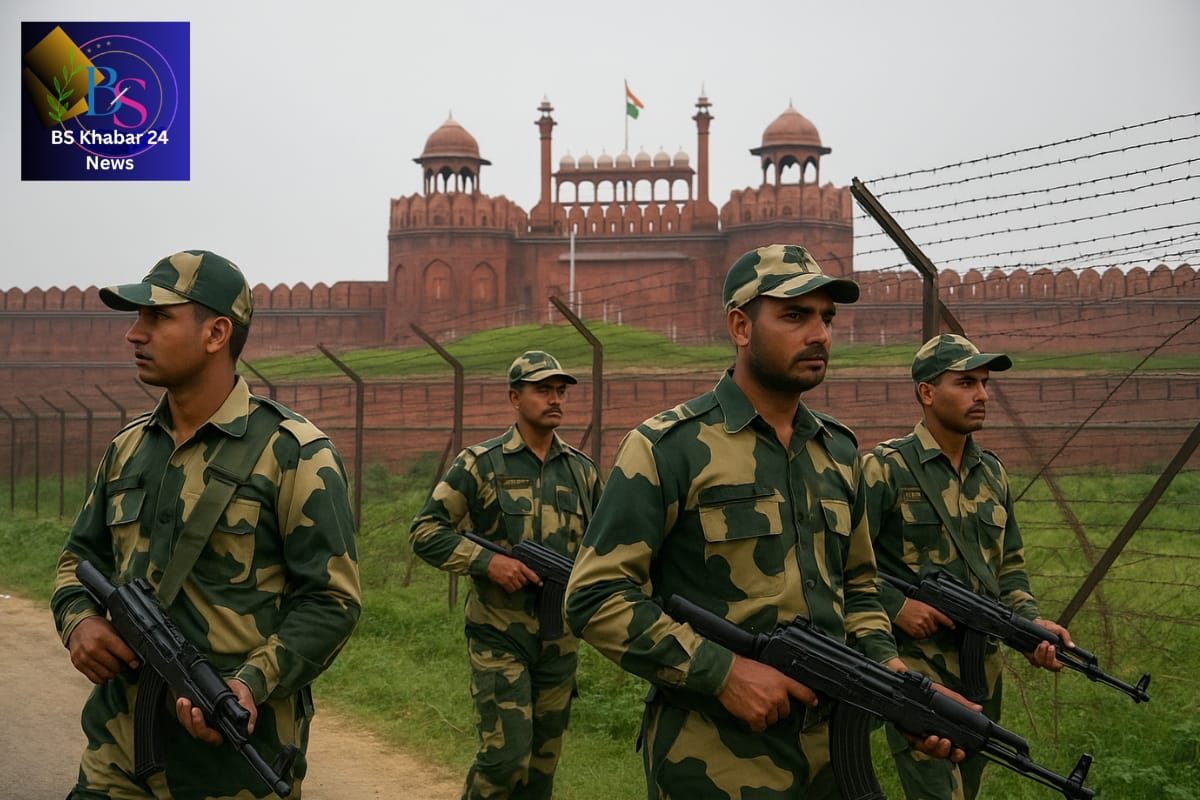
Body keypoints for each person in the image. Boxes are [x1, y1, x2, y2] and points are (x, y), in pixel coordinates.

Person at [565, 244, 965, 799]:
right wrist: (722, 673)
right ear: (741, 325)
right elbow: (595, 596)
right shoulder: (668, 448)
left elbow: (859, 588)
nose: (820, 334)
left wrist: (892, 679)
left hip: (830, 764)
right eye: (795, 315)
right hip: (712, 764)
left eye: (827, 318)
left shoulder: (840, 453)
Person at [51, 249, 362, 800]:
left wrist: (250, 682)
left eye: (157, 318)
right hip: (115, 756)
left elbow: (331, 601)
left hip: (234, 768)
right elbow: (79, 562)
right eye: (136, 318)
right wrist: (78, 622)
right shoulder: (127, 450)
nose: (134, 335)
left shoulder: (293, 455)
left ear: (217, 332)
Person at [863, 333, 1073, 800]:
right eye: (965, 382)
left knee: (968, 789)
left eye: (984, 383)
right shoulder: (885, 469)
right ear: (927, 392)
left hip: (983, 668)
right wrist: (895, 605)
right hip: (916, 669)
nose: (981, 394)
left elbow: (1009, 566)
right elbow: (840, 560)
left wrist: (1030, 621)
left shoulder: (992, 473)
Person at [409, 350, 603, 800]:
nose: (555, 399)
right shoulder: (480, 464)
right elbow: (425, 531)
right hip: (500, 637)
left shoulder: (583, 471)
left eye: (560, 391)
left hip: (559, 644)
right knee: (504, 760)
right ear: (515, 397)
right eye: (542, 390)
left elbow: (603, 548)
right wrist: (488, 562)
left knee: (540, 771)